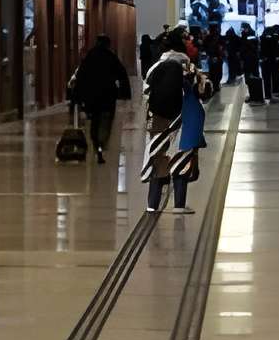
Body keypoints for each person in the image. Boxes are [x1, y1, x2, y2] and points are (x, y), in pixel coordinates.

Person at [145, 31, 209, 211]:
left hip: (158, 118)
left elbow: (146, 91)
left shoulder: (156, 66)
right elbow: (203, 89)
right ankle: (179, 205)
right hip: (184, 118)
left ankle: (152, 205)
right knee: (182, 157)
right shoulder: (188, 66)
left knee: (158, 156)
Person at [68, 30, 131, 156]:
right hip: (108, 94)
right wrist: (125, 93)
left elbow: (81, 76)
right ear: (108, 44)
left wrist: (76, 97)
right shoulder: (111, 56)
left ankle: (95, 140)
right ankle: (103, 141)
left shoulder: (90, 56)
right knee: (106, 118)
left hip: (91, 95)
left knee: (94, 119)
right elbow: (122, 74)